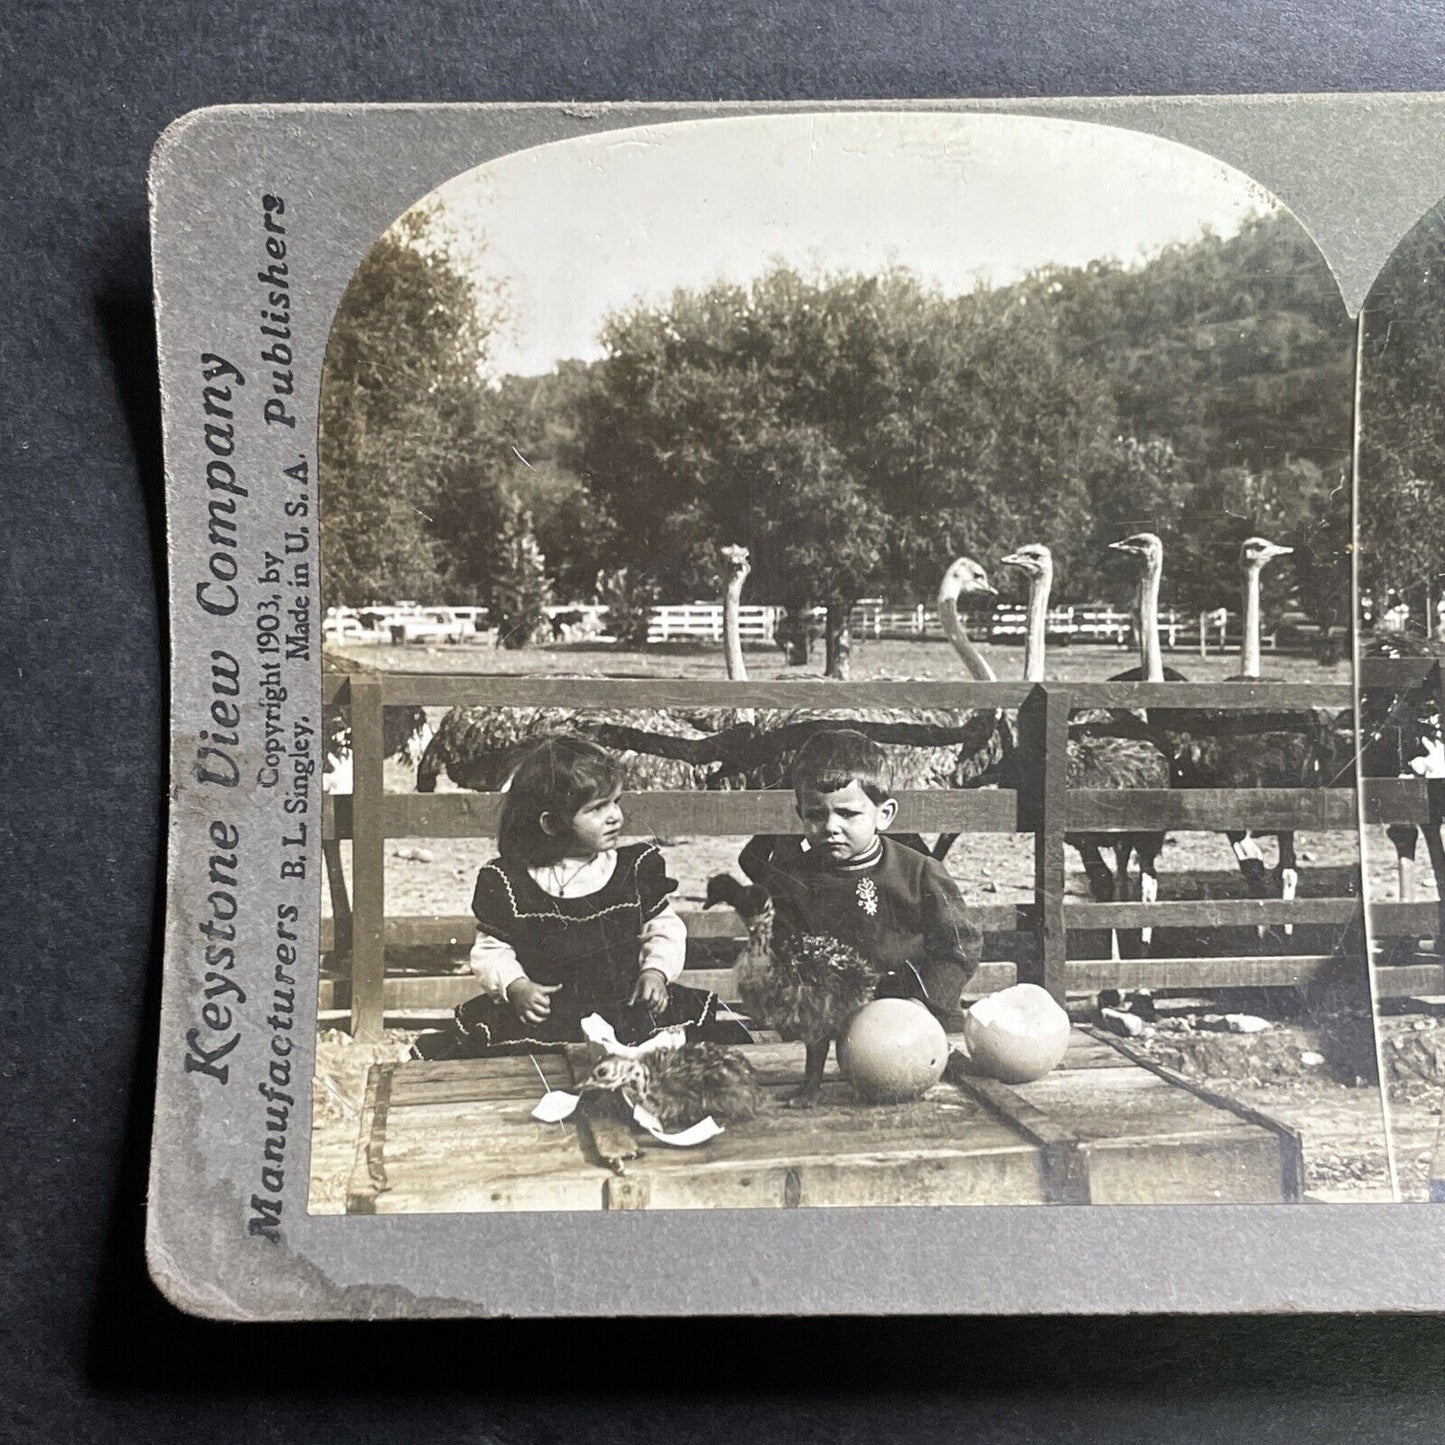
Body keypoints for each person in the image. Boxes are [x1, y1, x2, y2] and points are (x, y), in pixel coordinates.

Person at [412, 735, 739, 1060]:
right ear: (552, 824)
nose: (615, 816)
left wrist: (655, 971)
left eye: (616, 802)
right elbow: (492, 949)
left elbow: (664, 928)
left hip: (627, 1007)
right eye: (597, 808)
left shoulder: (633, 870)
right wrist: (515, 985)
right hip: (550, 1015)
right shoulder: (511, 881)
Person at [738, 729, 982, 1029]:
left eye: (848, 813)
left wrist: (924, 1002)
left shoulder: (919, 873)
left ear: (884, 814)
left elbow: (959, 946)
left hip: (916, 1020)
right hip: (827, 1023)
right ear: (800, 814)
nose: (830, 827)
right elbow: (785, 957)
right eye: (815, 814)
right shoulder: (792, 883)